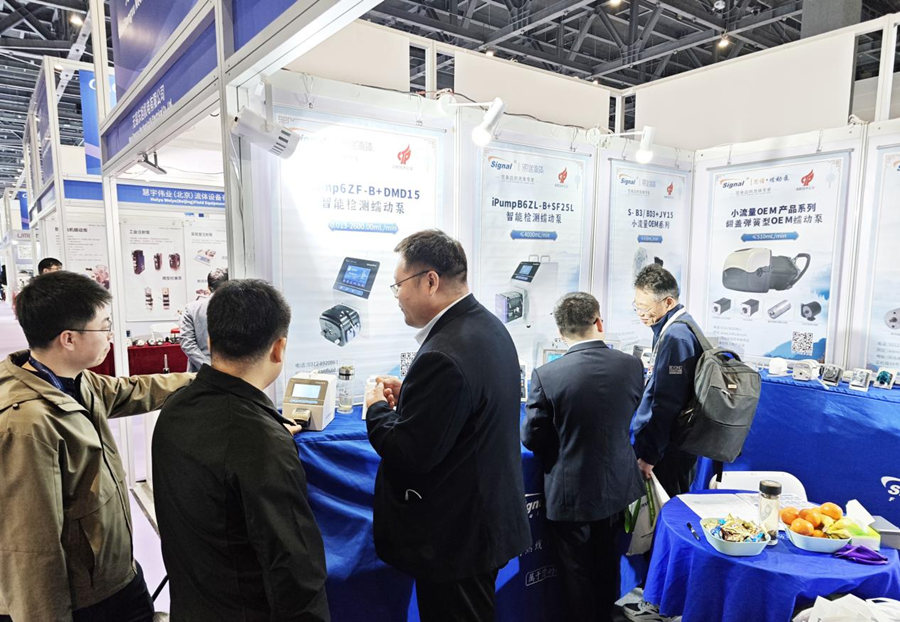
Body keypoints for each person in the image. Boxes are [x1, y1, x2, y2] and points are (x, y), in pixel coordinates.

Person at [0, 271, 192, 621]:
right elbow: (30, 549)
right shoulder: (26, 424)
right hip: (84, 600)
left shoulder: (74, 380)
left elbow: (133, 390)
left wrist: (205, 379)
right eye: (104, 326)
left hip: (114, 574)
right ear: (69, 339)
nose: (110, 336)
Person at [364, 229, 530, 621]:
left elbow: (410, 452)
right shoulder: (487, 326)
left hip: (457, 536)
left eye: (398, 285)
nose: (397, 296)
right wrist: (412, 394)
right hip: (482, 521)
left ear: (430, 281)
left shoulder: (444, 352)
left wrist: (375, 409)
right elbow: (467, 407)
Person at [153, 279, 329, 621]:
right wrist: (266, 439)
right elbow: (294, 570)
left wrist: (265, 432)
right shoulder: (261, 441)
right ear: (279, 348)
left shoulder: (175, 408)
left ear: (209, 341)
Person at [522, 292, 645, 622]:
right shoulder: (631, 365)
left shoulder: (547, 375)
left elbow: (532, 438)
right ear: (599, 322)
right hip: (618, 488)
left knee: (576, 577)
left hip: (571, 494)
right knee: (608, 567)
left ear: (560, 332)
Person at [623, 264, 704, 622]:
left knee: (663, 524)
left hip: (669, 450)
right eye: (637, 306)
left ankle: (658, 603)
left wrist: (649, 456)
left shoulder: (676, 337)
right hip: (674, 446)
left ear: (668, 302)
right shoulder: (677, 328)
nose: (641, 313)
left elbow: (665, 404)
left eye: (645, 307)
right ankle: (658, 595)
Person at [179, 267, 228, 371]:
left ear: (208, 287)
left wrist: (207, 367)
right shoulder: (239, 308)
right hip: (232, 371)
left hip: (200, 372)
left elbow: (187, 343)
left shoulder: (191, 308)